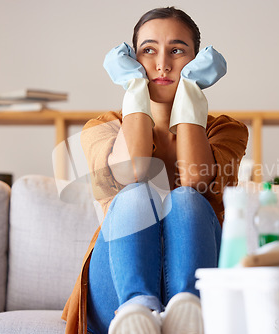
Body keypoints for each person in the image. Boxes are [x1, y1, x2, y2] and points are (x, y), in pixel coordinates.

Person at [62, 6, 249, 334]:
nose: (162, 64)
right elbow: (133, 170)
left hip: (199, 293)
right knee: (137, 193)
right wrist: (135, 88)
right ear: (133, 60)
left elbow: (194, 178)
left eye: (177, 51)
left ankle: (187, 308)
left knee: (187, 199)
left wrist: (190, 92)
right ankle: (137, 308)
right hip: (117, 292)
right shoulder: (102, 127)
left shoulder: (226, 131)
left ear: (196, 61)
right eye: (148, 51)